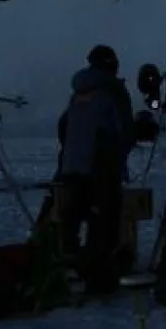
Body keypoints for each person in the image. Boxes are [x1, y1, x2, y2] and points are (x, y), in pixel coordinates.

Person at [56, 44, 135, 293]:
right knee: (103, 223)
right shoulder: (112, 90)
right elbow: (124, 129)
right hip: (100, 167)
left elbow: (63, 126)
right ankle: (99, 279)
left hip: (71, 167)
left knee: (71, 220)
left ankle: (67, 269)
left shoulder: (79, 92)